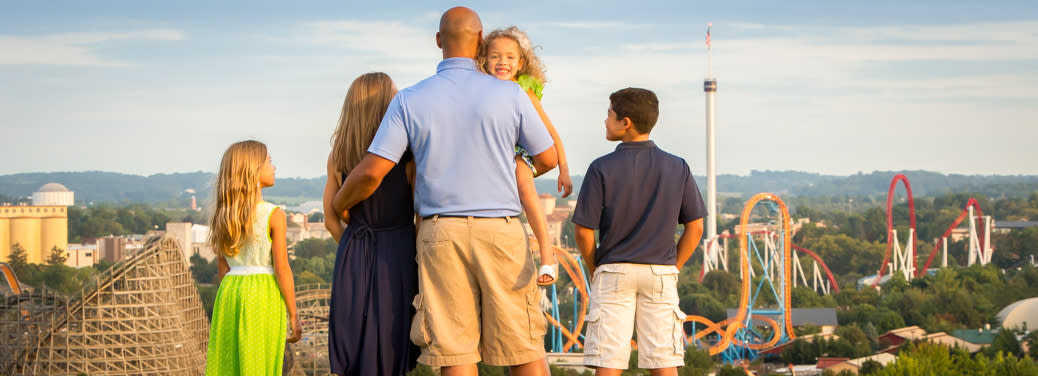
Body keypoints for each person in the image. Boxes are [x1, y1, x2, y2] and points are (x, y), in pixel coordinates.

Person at [332, 7, 557, 376]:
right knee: (523, 346)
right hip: (501, 230)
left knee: (454, 353)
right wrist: (521, 168)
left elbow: (372, 173)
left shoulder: (408, 99)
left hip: (440, 234)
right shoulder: (510, 95)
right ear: (481, 40)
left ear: (438, 41)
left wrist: (341, 203)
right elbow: (547, 157)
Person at [571, 88, 706, 376]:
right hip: (660, 271)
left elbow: (583, 231)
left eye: (609, 114)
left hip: (614, 270)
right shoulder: (677, 166)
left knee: (608, 360)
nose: (605, 120)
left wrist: (595, 267)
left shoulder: (600, 168)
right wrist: (674, 266)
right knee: (663, 361)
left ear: (626, 122)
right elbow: (695, 228)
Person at [322, 72, 419, 376]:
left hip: (353, 250)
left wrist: (354, 247)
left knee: (354, 344)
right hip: (399, 253)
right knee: (392, 346)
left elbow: (330, 220)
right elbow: (419, 213)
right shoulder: (408, 156)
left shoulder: (338, 155)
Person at [477, 26, 571, 285]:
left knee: (522, 180)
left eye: (509, 57)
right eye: (495, 56)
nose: (502, 62)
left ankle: (547, 255)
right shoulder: (479, 87)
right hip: (495, 152)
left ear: (520, 63)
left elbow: (552, 133)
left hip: (521, 152)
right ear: (484, 60)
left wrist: (563, 169)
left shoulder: (523, 90)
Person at [206, 140, 302, 376]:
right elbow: (282, 269)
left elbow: (222, 270)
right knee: (260, 364)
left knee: (231, 364)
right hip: (263, 294)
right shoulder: (274, 215)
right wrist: (293, 315)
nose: (274, 167)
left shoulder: (223, 215)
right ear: (254, 171)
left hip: (230, 294)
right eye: (269, 161)